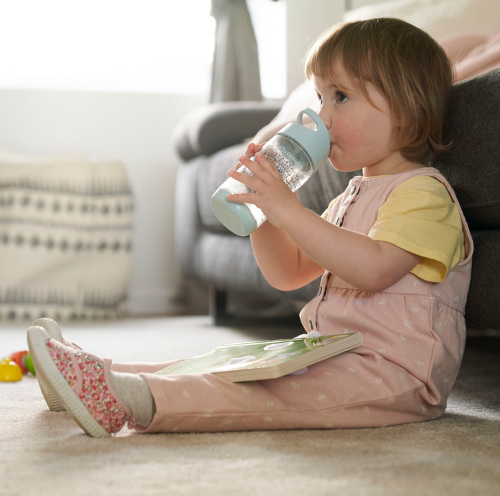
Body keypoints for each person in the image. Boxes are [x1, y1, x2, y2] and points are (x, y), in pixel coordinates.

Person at [27, 18, 474, 438]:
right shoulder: (351, 196)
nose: (322, 116)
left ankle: (130, 400)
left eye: (340, 96)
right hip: (338, 354)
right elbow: (289, 272)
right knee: (234, 361)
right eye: (319, 98)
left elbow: (375, 269)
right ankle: (105, 373)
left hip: (394, 374)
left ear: (402, 109)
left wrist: (288, 209)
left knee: (264, 395)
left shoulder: (424, 194)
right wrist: (262, 212)